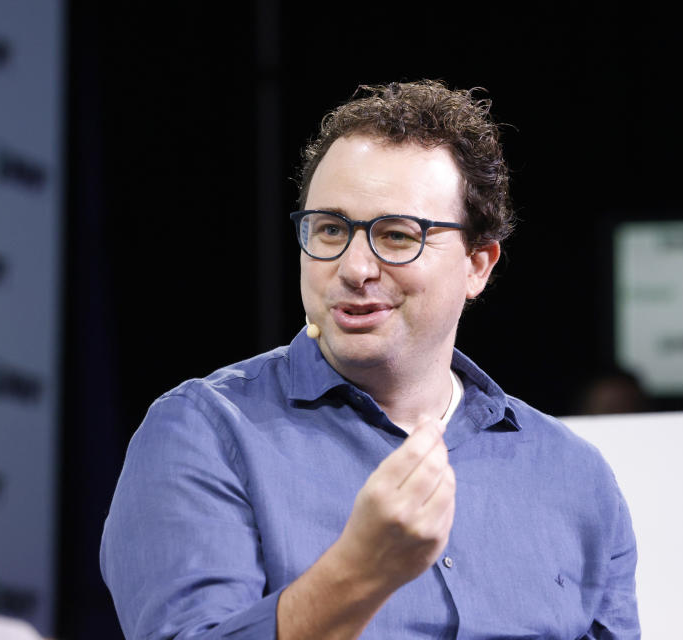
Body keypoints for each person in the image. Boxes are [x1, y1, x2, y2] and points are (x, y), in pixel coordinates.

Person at [100, 80, 639, 639]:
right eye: (330, 229)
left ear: (478, 264)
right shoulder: (205, 434)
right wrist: (357, 572)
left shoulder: (573, 476)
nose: (355, 267)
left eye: (398, 235)